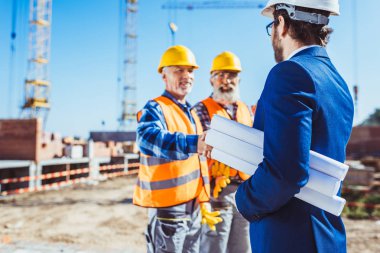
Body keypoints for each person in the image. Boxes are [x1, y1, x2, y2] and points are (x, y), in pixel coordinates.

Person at [234, 1, 354, 253]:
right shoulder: (338, 83)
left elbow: (286, 173)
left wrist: (244, 199)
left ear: (282, 23)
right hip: (325, 235)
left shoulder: (289, 72)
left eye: (272, 25)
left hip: (289, 238)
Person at [133, 45, 222, 253]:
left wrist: (203, 200)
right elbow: (147, 138)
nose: (186, 76)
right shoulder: (155, 108)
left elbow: (198, 163)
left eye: (190, 71)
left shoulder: (190, 113)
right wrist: (193, 143)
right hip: (169, 209)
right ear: (164, 76)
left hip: (192, 207)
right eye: (178, 70)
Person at [192, 51, 252, 253]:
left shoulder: (246, 110)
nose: (227, 81)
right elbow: (193, 154)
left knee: (242, 247)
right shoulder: (199, 110)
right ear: (211, 79)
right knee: (214, 247)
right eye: (221, 75)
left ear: (239, 79)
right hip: (215, 192)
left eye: (232, 75)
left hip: (244, 192)